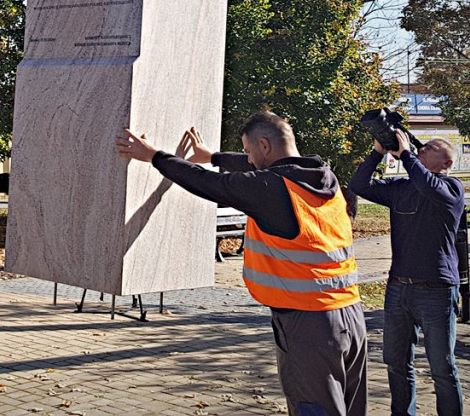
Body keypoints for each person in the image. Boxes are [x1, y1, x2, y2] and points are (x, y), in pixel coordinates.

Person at [116, 112, 367, 416]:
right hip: (350, 317)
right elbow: (258, 167)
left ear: (264, 145)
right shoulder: (323, 176)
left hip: (309, 326)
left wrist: (153, 155)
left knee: (315, 410)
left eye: (248, 151)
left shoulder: (273, 189)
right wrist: (213, 156)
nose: (247, 158)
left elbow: (209, 184)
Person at [348, 131, 465, 416]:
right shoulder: (401, 187)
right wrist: (377, 152)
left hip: (436, 289)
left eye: (431, 147)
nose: (422, 148)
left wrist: (407, 155)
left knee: (442, 367)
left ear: (447, 162)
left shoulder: (452, 189)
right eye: (421, 147)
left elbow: (429, 187)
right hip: (399, 287)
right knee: (397, 363)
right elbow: (359, 185)